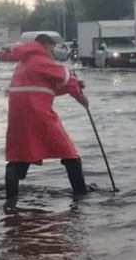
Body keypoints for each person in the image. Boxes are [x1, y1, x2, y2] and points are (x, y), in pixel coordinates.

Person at [5, 34, 91, 201]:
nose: (52, 55)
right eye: (51, 50)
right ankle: (81, 196)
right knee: (70, 154)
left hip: (18, 118)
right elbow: (65, 76)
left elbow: (44, 89)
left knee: (19, 156)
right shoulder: (39, 60)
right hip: (38, 116)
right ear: (44, 46)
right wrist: (81, 96)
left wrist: (70, 86)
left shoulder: (24, 64)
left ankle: (10, 201)